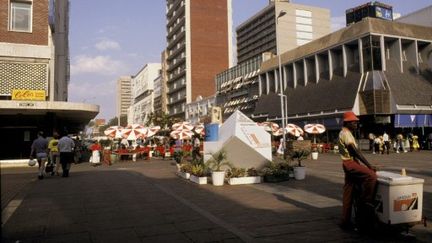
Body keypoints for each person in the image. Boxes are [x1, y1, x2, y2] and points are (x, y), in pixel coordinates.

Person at [338, 111, 377, 230]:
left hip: (347, 163)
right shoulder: (346, 133)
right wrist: (368, 165)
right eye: (353, 122)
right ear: (347, 123)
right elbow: (355, 151)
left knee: (348, 192)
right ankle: (366, 201)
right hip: (350, 163)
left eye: (356, 122)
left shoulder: (344, 132)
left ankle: (345, 221)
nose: (356, 124)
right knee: (371, 176)